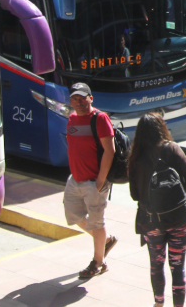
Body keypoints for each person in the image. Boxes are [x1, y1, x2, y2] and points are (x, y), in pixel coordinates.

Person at [128, 112, 186, 307]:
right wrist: (173, 195)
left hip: (151, 221)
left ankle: (158, 303)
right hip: (178, 219)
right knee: (177, 265)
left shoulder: (135, 158)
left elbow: (134, 194)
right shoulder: (172, 149)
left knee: (156, 264)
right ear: (161, 128)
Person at [62, 83, 118, 279]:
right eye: (74, 98)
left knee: (96, 223)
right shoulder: (72, 119)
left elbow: (110, 151)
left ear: (91, 98)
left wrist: (100, 181)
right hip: (75, 179)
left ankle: (98, 262)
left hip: (95, 181)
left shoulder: (100, 118)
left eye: (82, 98)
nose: (78, 102)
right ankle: (105, 241)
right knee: (74, 216)